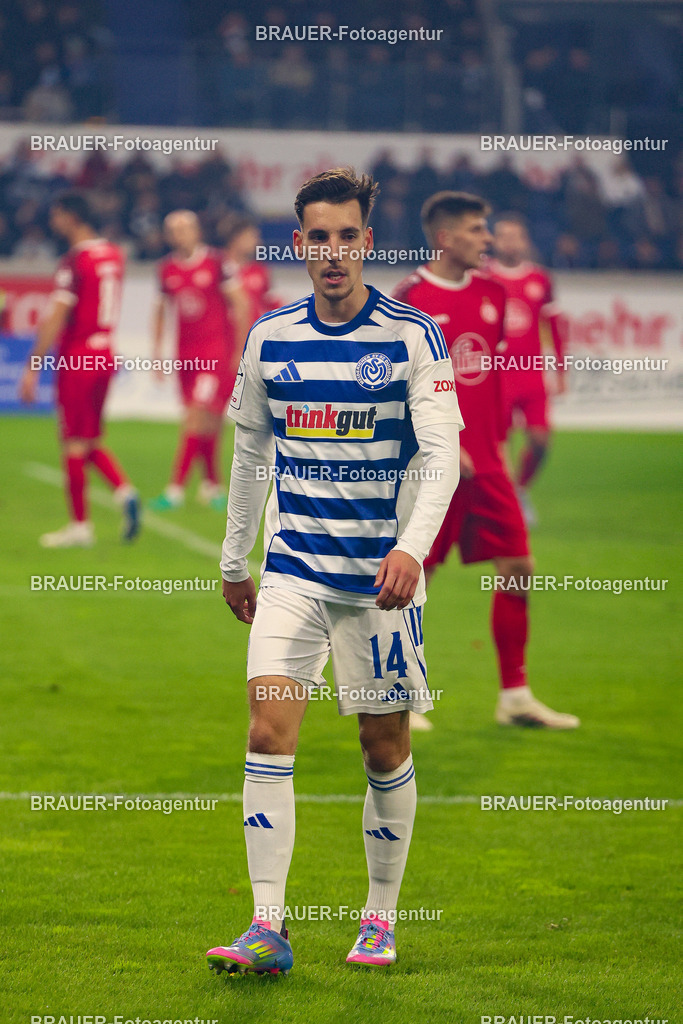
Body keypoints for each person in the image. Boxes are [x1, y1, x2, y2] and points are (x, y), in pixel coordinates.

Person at [206, 168, 462, 975]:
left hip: (378, 587)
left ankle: (379, 919)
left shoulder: (412, 336)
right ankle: (267, 926)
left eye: (346, 236)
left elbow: (442, 455)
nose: (332, 251)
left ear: (367, 243)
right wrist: (233, 557)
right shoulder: (270, 338)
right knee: (266, 732)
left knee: (382, 746)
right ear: (299, 244)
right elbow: (249, 450)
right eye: (318, 237)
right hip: (291, 577)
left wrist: (412, 548)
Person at [394, 192, 578, 731]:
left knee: (519, 568)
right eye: (477, 230)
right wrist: (438, 446)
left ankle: (515, 695)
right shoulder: (409, 299)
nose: (488, 239)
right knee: (412, 575)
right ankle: (401, 692)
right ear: (446, 238)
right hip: (434, 465)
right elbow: (395, 389)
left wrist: (494, 440)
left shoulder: (494, 293)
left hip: (487, 463)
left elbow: (488, 380)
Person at [19, 192, 140, 547]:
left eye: (57, 215)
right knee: (89, 439)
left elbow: (56, 315)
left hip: (78, 357)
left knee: (72, 441)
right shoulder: (113, 255)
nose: (53, 222)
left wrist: (32, 366)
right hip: (105, 354)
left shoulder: (75, 261)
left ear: (72, 216)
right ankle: (124, 492)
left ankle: (80, 526)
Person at [149, 210, 250, 512]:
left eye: (186, 228)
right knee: (207, 422)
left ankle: (175, 489)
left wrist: (239, 351)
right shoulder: (166, 269)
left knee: (195, 416)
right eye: (175, 230)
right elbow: (161, 311)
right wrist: (157, 354)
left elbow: (241, 304)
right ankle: (211, 485)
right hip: (185, 356)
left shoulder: (217, 262)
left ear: (197, 231)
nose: (181, 234)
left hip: (213, 354)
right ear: (169, 236)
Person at [486, 213, 566, 525]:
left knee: (541, 440)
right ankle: (506, 503)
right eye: (504, 236)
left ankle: (520, 489)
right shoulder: (483, 277)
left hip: (531, 376)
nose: (510, 242)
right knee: (499, 448)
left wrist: (561, 372)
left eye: (515, 236)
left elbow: (555, 327)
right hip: (497, 377)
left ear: (524, 240)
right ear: (495, 240)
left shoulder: (540, 280)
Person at [222, 215, 280, 324]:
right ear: (236, 238)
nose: (257, 242)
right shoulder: (218, 267)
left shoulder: (259, 270)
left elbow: (270, 302)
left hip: (252, 335)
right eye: (251, 237)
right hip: (224, 336)